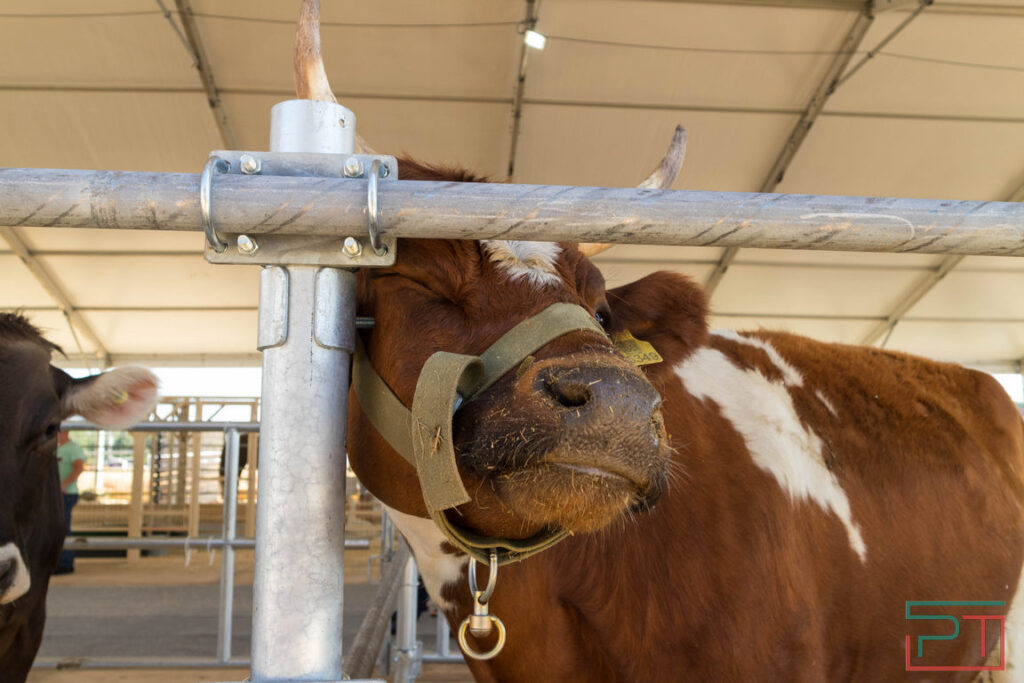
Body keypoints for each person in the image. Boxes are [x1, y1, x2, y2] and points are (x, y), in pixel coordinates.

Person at [55, 430, 85, 574]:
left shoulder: (73, 448)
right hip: (59, 494)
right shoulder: (60, 448)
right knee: (58, 528)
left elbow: (79, 467)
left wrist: (64, 484)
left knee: (63, 528)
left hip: (66, 494)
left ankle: (66, 563)